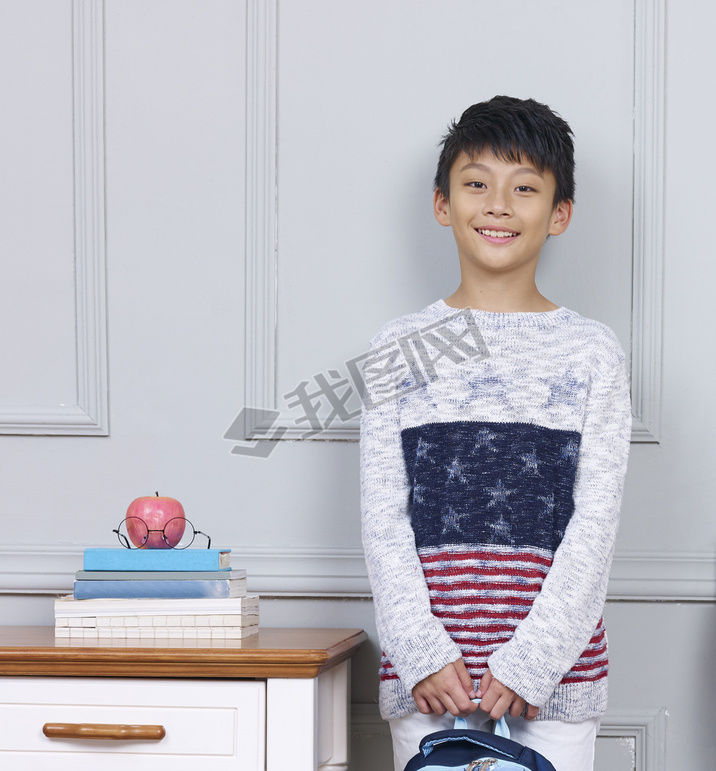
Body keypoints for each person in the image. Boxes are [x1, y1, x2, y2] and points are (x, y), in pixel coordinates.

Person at [359, 95, 632, 771]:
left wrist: (532, 662)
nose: (499, 205)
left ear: (559, 213)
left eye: (526, 188)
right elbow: (383, 522)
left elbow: (593, 526)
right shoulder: (396, 348)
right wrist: (423, 651)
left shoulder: (593, 352)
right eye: (476, 183)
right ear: (442, 203)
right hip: (429, 683)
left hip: (555, 686)